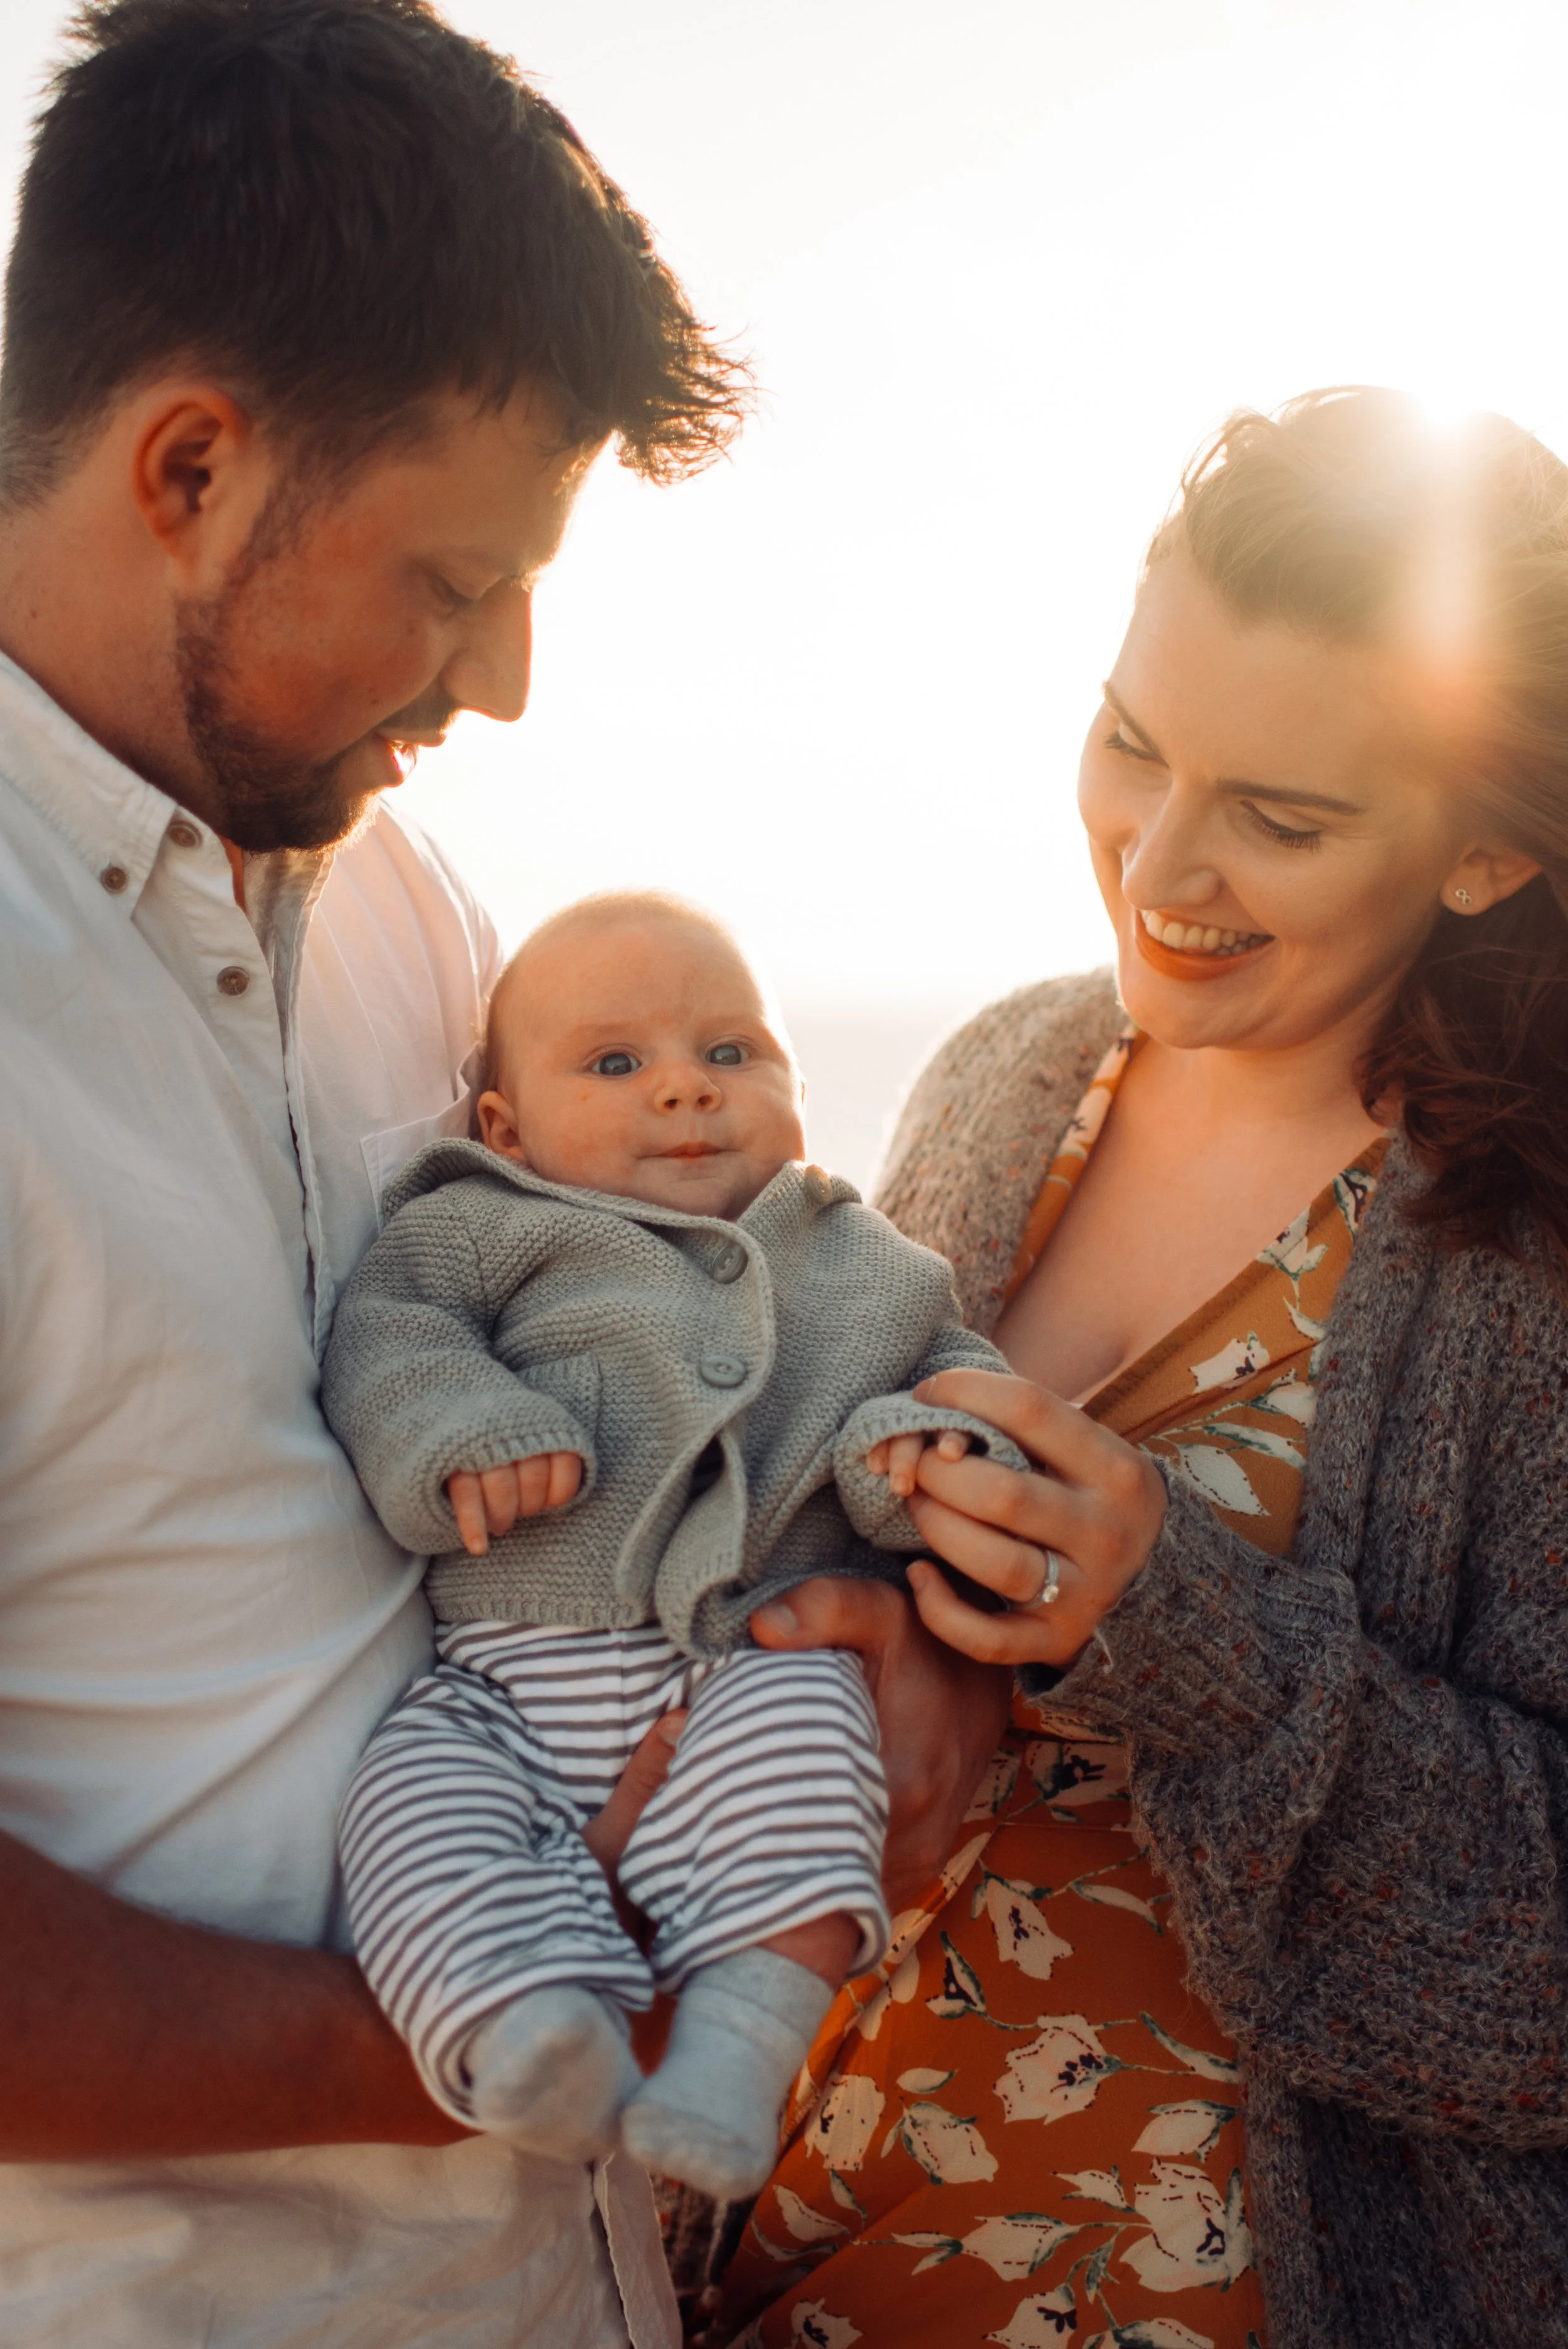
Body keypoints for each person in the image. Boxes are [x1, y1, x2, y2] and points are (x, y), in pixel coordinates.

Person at [0, 7, 1009, 2345]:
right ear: (186, 465)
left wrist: (892, 1639)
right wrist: (522, 2042)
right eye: (458, 581)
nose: (515, 680)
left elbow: (660, 1335)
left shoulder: (408, 907)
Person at [707, 389, 1568, 2349]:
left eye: (1281, 816)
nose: (1156, 859)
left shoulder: (1525, 1252)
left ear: (1485, 859)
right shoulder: (1000, 1080)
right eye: (1129, 742)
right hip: (788, 2233)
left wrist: (1176, 1628)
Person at [320, 891, 1021, 2202]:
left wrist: (921, 1457)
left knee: (812, 1746)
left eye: (729, 1053)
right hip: (500, 1688)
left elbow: (956, 1381)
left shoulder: (864, 1261)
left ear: (794, 1085)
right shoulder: (477, 1226)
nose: (686, 1093)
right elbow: (391, 1341)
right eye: (615, 1064)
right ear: (505, 1127)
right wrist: (469, 1426)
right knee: (408, 1805)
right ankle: (526, 2025)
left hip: (740, 1652)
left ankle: (741, 2045)